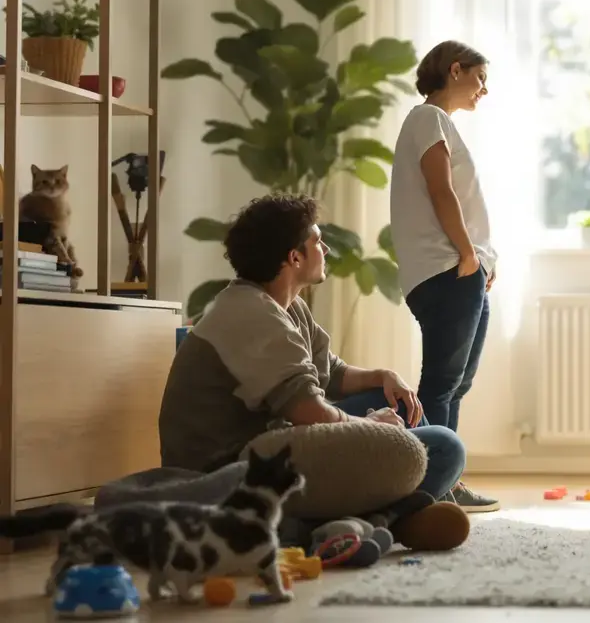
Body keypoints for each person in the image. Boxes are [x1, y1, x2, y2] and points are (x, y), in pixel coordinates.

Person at [158, 193, 466, 506]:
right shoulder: (251, 313)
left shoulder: (287, 307)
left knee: (391, 400)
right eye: (318, 241)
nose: (326, 249)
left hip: (272, 442)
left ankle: (422, 503)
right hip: (230, 474)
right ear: (294, 257)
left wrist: (383, 376)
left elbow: (331, 373)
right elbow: (308, 412)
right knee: (445, 448)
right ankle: (394, 514)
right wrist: (371, 427)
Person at [390, 40, 499, 512]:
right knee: (441, 382)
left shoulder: (437, 123)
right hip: (447, 267)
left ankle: (446, 483)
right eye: (480, 78)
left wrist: (477, 260)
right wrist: (466, 253)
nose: (484, 90)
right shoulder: (428, 117)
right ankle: (431, 486)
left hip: (459, 269)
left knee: (456, 382)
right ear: (455, 70)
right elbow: (441, 191)